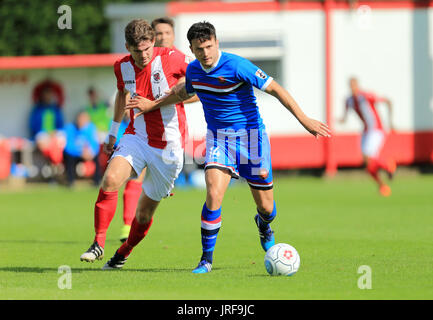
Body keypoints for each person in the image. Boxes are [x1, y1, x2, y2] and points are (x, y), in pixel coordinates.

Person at [127, 21, 331, 273]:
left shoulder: (237, 66)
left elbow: (275, 88)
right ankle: (206, 260)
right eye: (199, 49)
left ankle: (264, 224)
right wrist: (152, 104)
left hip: (251, 139)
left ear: (217, 42)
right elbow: (181, 93)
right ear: (191, 48)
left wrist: (304, 119)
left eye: (209, 46)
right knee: (213, 193)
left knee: (267, 208)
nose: (205, 53)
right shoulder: (193, 71)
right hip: (219, 139)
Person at [79, 19, 190, 269]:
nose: (142, 55)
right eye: (136, 50)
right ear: (128, 47)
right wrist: (112, 131)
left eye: (147, 49)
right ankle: (98, 242)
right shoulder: (121, 67)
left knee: (143, 215)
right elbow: (122, 95)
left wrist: (156, 103)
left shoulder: (173, 58)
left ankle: (125, 250)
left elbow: (194, 86)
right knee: (110, 179)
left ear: (153, 42)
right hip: (136, 137)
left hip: (169, 148)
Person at [116, 17, 198, 243]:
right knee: (134, 174)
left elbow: (197, 91)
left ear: (173, 36)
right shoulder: (138, 61)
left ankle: (141, 216)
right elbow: (125, 90)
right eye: (158, 34)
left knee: (156, 184)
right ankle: (126, 224)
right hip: (141, 130)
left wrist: (168, 99)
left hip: (170, 134)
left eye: (166, 33)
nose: (162, 37)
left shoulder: (177, 62)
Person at [339, 77, 396, 197]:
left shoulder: (366, 96)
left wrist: (391, 122)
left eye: (354, 85)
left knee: (368, 157)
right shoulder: (349, 100)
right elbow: (345, 116)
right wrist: (341, 120)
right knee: (367, 163)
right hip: (366, 131)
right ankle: (383, 186)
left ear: (357, 85)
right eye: (351, 85)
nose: (353, 87)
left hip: (376, 129)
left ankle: (388, 165)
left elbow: (388, 101)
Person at [29, 86, 66, 168]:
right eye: (46, 95)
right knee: (45, 142)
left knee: (60, 140)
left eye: (49, 95)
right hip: (42, 134)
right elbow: (33, 126)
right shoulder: (37, 109)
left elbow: (60, 124)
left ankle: (55, 164)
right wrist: (47, 133)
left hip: (54, 134)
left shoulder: (55, 109)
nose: (48, 97)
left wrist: (54, 132)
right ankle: (54, 164)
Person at [63, 110, 101, 187]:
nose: (82, 121)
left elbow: (95, 144)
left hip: (87, 154)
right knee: (68, 157)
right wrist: (80, 152)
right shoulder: (70, 128)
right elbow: (68, 146)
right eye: (81, 119)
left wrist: (91, 152)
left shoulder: (91, 128)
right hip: (75, 154)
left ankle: (97, 180)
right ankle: (70, 181)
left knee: (97, 158)